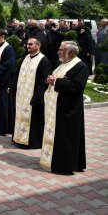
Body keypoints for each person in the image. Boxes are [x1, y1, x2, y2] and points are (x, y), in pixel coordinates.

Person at [40, 41, 88, 174]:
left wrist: (56, 81)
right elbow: (53, 79)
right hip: (56, 108)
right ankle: (53, 161)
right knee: (57, 136)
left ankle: (64, 165)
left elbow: (77, 86)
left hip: (68, 109)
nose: (58, 52)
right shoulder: (62, 64)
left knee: (66, 138)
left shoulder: (81, 66)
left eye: (61, 50)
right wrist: (48, 80)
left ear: (71, 52)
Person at [10, 38, 51, 149]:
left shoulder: (44, 61)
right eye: (27, 44)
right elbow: (17, 74)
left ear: (38, 45)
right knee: (19, 116)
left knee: (33, 120)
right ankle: (17, 138)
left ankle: (32, 142)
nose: (27, 46)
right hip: (21, 95)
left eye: (30, 44)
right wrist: (13, 87)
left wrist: (38, 97)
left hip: (33, 97)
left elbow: (44, 82)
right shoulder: (25, 57)